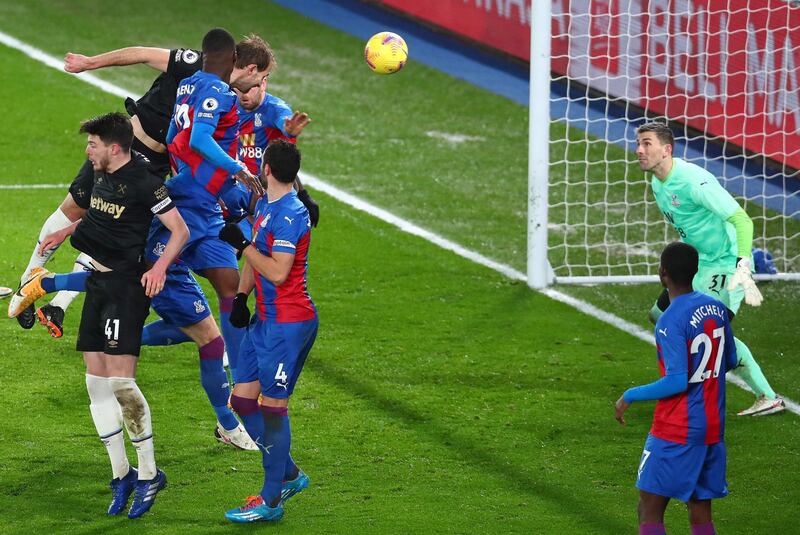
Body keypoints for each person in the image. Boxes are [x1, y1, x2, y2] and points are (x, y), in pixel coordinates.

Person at [16, 33, 272, 337]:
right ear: (251, 68)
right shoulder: (195, 65)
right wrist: (90, 62)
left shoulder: (221, 92)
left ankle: (58, 302)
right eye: (263, 77)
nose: (261, 86)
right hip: (126, 148)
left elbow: (184, 142)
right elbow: (141, 53)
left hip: (157, 167)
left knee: (119, 234)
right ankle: (29, 282)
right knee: (76, 210)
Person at [9, 112, 189, 518]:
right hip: (96, 285)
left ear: (114, 147)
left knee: (122, 383)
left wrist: (159, 269)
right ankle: (121, 474)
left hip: (125, 287)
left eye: (92, 144)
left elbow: (180, 230)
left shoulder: (146, 182)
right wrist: (66, 232)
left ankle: (148, 475)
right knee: (96, 384)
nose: (87, 151)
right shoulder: (101, 174)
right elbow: (100, 212)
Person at [636, 122, 784, 416]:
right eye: (639, 143)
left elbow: (743, 220)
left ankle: (767, 396)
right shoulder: (657, 183)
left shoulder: (693, 181)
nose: (640, 150)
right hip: (702, 262)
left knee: (711, 329)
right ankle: (687, 374)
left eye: (647, 144)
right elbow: (691, 228)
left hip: (728, 264)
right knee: (659, 315)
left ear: (667, 150)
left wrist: (742, 264)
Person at [218, 140, 317, 523]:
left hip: (290, 325)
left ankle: (271, 499)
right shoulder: (265, 206)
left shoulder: (290, 213)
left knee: (273, 409)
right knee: (242, 402)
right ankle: (288, 472)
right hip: (265, 320)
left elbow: (277, 270)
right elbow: (257, 257)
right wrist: (242, 296)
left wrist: (242, 244)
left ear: (267, 168)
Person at [615, 241, 738, 535]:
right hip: (711, 429)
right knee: (700, 509)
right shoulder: (718, 309)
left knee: (649, 507)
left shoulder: (669, 321)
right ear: (695, 272)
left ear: (663, 274)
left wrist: (630, 394)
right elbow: (731, 359)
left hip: (676, 429)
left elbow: (676, 381)